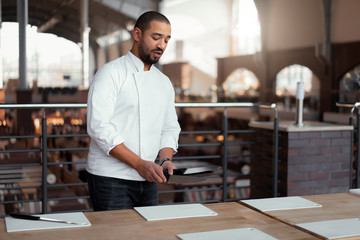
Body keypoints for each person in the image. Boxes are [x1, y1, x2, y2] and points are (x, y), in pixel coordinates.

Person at [86, 11, 181, 211]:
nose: (161, 45)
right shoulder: (110, 73)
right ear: (137, 35)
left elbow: (170, 127)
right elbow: (98, 127)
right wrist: (139, 164)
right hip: (110, 178)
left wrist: (165, 159)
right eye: (156, 37)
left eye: (166, 40)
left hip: (149, 177)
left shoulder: (163, 82)